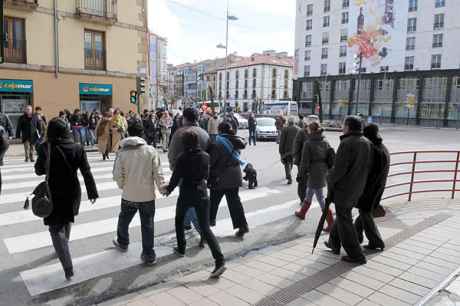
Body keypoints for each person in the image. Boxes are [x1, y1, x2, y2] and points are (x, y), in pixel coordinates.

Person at [35, 117, 98, 280]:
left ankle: (67, 267)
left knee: (56, 229)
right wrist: (92, 192)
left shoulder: (45, 148)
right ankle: (64, 246)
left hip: (53, 193)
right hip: (72, 192)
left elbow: (39, 170)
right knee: (67, 219)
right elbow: (86, 171)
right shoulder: (77, 147)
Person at [163, 130, 226, 278]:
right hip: (202, 194)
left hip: (186, 193)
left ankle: (181, 248)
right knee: (205, 228)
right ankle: (220, 260)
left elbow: (175, 177)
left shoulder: (182, 157)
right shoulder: (205, 156)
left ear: (185, 143)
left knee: (179, 220)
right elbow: (206, 176)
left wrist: (169, 190)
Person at [112, 120, 165, 265]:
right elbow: (158, 173)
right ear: (142, 134)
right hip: (147, 196)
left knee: (124, 219)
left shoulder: (122, 152)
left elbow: (117, 174)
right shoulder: (150, 150)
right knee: (147, 224)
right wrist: (162, 188)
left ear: (128, 133)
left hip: (129, 195)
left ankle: (123, 242)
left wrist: (124, 186)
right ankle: (148, 254)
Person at [325, 116, 372, 264]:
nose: (342, 127)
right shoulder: (366, 142)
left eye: (344, 125)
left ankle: (355, 254)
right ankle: (334, 242)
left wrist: (329, 178)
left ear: (349, 127)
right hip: (357, 187)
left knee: (345, 220)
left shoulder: (347, 143)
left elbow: (338, 170)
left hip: (345, 189)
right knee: (343, 216)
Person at [168, 107, 209, 236]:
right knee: (196, 201)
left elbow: (171, 155)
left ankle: (203, 231)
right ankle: (186, 224)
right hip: (201, 176)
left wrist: (174, 169)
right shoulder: (204, 133)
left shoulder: (179, 133)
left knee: (188, 202)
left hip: (183, 174)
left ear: (184, 118)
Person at [209, 122, 249, 238]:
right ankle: (243, 226)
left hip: (220, 177)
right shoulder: (235, 140)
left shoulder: (218, 142)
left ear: (220, 130)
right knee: (234, 202)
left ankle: (206, 229)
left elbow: (212, 161)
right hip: (235, 175)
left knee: (213, 203)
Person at [354, 123, 390, 251]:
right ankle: (356, 235)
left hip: (370, 189)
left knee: (365, 213)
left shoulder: (374, 150)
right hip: (377, 187)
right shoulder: (382, 147)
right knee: (364, 213)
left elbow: (368, 171)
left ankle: (376, 241)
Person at [294, 122, 335, 232]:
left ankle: (331, 222)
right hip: (323, 169)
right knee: (310, 191)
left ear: (310, 131)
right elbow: (330, 154)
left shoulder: (308, 143)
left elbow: (304, 161)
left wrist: (301, 174)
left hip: (313, 171)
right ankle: (302, 213)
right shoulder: (324, 140)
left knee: (320, 197)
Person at [279, 117, 300, 185]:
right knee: (291, 162)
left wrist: (281, 151)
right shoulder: (299, 129)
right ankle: (289, 174)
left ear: (288, 122)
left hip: (287, 150)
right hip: (296, 150)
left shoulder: (285, 129)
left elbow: (282, 141)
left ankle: (289, 176)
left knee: (287, 163)